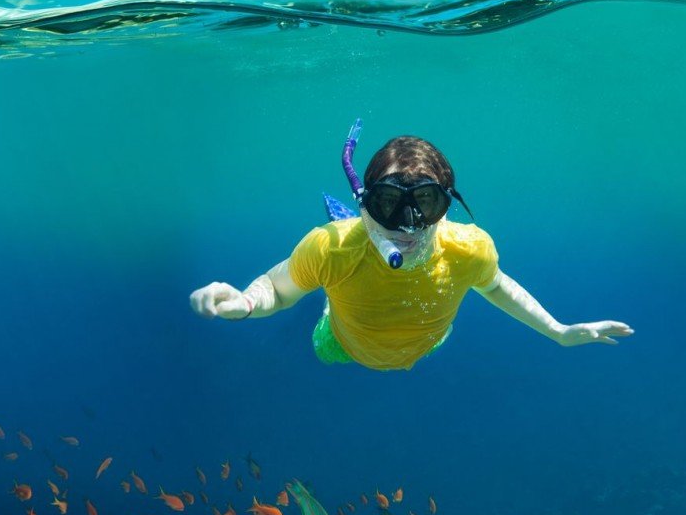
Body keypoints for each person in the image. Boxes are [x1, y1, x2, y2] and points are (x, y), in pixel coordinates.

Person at [189, 128, 632, 370]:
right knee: (322, 347)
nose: (407, 226)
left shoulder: (469, 250)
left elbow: (497, 287)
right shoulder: (331, 248)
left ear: (447, 206)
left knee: (436, 337)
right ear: (366, 205)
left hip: (428, 343)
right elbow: (277, 288)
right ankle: (330, 302)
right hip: (342, 345)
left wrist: (557, 329)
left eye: (424, 203)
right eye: (387, 204)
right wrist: (246, 302)